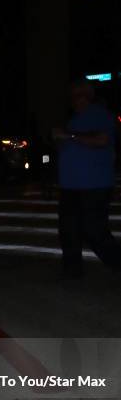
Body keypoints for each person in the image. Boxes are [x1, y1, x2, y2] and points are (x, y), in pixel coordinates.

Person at [53, 80, 121, 278]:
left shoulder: (101, 115)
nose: (73, 100)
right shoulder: (74, 119)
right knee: (69, 230)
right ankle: (72, 270)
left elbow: (102, 140)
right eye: (72, 96)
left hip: (94, 184)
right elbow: (66, 144)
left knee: (94, 229)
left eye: (77, 95)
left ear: (86, 96)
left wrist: (69, 136)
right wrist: (59, 140)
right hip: (70, 185)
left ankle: (116, 261)